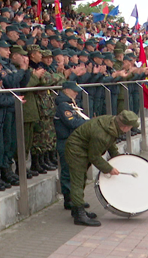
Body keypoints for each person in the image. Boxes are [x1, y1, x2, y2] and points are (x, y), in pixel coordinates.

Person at [65, 110, 139, 226]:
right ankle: (79, 215)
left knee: (81, 179)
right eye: (130, 127)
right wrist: (109, 169)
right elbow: (94, 156)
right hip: (76, 150)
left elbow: (111, 144)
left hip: (83, 148)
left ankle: (77, 209)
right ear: (125, 127)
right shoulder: (101, 135)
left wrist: (119, 159)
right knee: (78, 181)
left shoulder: (112, 123)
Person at [53, 81, 89, 212]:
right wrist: (86, 122)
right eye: (73, 90)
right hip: (66, 141)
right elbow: (72, 122)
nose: (76, 93)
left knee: (75, 171)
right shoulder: (63, 105)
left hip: (72, 140)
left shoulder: (70, 103)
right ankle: (69, 199)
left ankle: (75, 198)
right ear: (66, 90)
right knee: (67, 171)